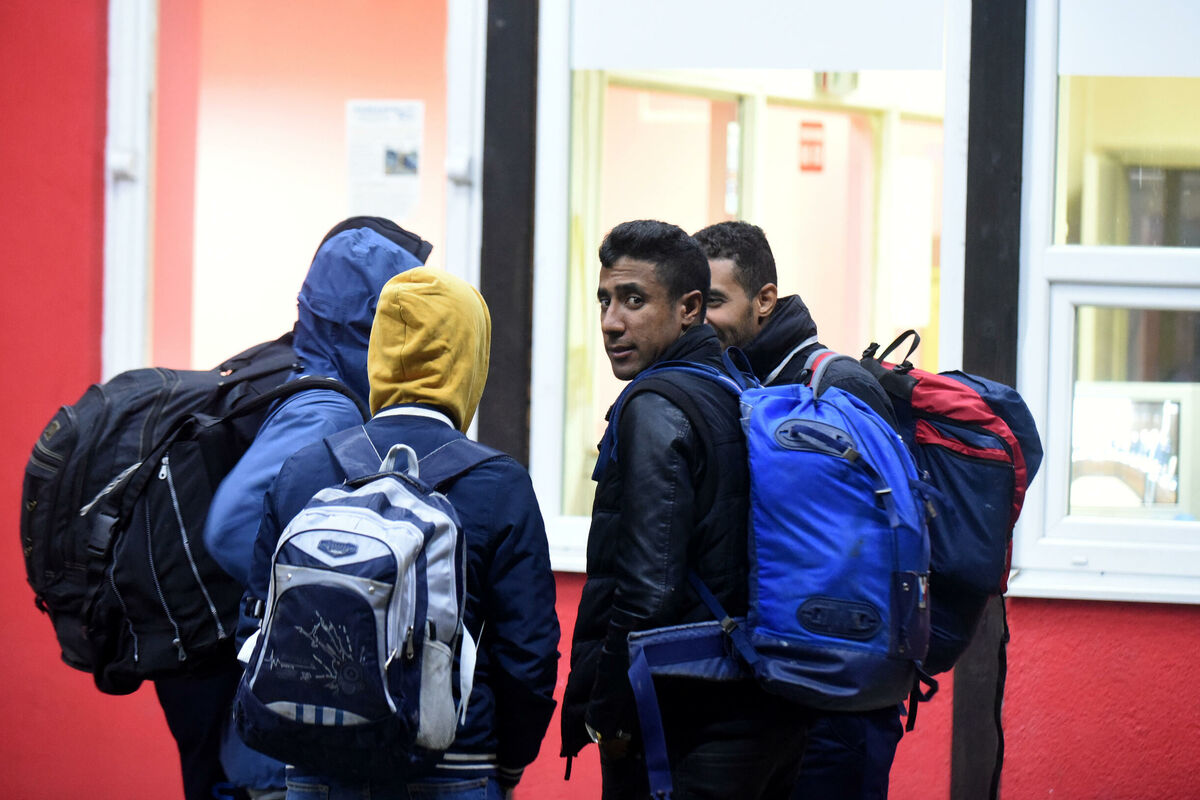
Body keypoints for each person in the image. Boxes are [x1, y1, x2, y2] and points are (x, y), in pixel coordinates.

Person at [247, 266, 560, 799]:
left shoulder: (304, 470)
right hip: (452, 766)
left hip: (316, 767)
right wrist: (507, 764)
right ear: (470, 359)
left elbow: (254, 625)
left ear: (379, 354)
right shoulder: (498, 484)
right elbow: (528, 656)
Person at [154, 217, 431, 800]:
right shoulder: (327, 410)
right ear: (371, 323)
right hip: (276, 752)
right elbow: (230, 528)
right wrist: (314, 589)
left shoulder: (324, 389)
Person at [561, 219, 810, 799]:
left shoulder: (655, 405)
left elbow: (648, 590)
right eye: (604, 300)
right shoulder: (733, 388)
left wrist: (608, 716)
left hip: (687, 724)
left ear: (689, 307)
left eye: (634, 300)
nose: (611, 322)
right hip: (766, 708)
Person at [695, 220, 903, 800]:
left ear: (764, 299)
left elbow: (881, 543)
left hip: (839, 701)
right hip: (772, 687)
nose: (701, 318)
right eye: (693, 303)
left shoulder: (836, 387)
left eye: (715, 301)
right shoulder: (733, 381)